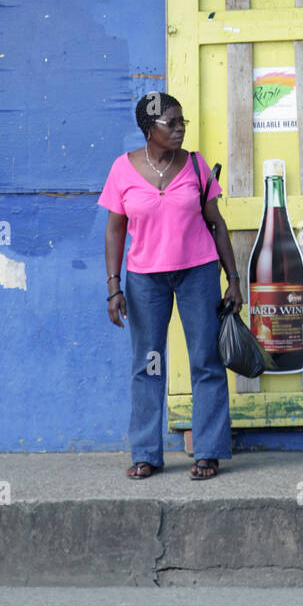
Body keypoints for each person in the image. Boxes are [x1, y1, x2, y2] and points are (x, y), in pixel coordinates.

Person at [99, 91, 242, 481]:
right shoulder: (122, 170)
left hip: (198, 272)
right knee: (149, 364)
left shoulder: (195, 166)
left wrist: (233, 278)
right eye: (171, 123)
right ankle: (146, 453)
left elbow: (216, 223)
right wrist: (114, 288)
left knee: (206, 361)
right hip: (145, 280)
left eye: (182, 123)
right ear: (148, 130)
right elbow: (115, 231)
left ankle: (208, 451)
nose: (179, 129)